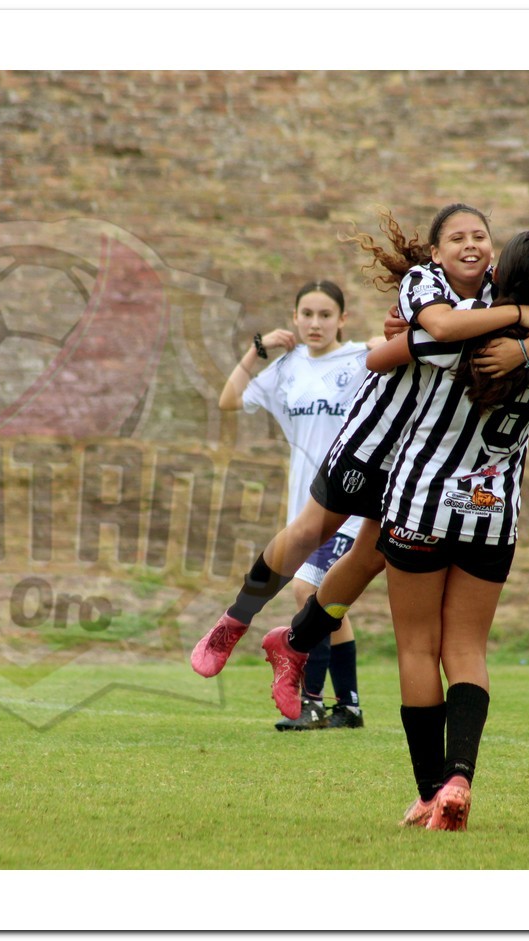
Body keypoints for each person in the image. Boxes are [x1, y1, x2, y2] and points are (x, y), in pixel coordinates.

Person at [191, 202, 529, 722]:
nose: (470, 245)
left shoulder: (502, 289)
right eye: (457, 237)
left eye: (479, 236)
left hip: (423, 461)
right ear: (436, 252)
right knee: (310, 531)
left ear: (494, 250)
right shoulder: (425, 283)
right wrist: (514, 319)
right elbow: (436, 330)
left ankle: (295, 644)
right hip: (377, 436)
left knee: (371, 557)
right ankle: (233, 622)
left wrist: (524, 346)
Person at [365, 229, 529, 831]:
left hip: (423, 500)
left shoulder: (463, 325)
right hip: (492, 511)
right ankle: (460, 777)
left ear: (496, 271)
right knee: (466, 650)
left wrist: (400, 333)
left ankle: (429, 791)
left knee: (418, 647)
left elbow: (379, 358)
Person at [215, 280, 379, 730]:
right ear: (294, 318)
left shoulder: (362, 359)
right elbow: (228, 400)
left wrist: (384, 345)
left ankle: (311, 703)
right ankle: (349, 706)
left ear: (342, 319)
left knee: (308, 592)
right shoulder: (287, 367)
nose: (315, 323)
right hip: (306, 508)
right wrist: (257, 350)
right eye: (307, 314)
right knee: (332, 603)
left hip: (349, 504)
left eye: (325, 315)